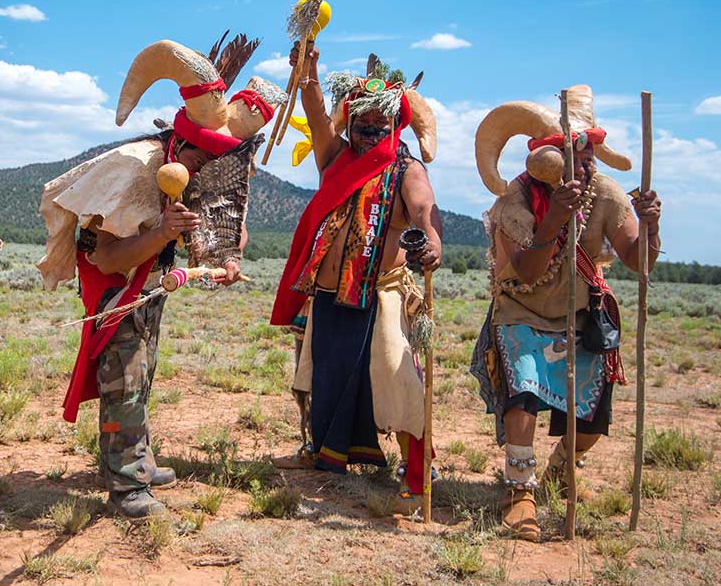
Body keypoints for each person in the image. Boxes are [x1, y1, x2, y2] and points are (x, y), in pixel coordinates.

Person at [38, 36, 284, 518]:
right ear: (183, 143)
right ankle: (127, 483)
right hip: (118, 293)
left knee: (141, 375)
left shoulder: (203, 176)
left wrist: (225, 260)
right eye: (200, 160)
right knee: (124, 378)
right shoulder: (136, 169)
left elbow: (222, 234)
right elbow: (107, 259)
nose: (204, 171)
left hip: (150, 291)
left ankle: (137, 458)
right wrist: (162, 233)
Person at [470, 85, 662, 541]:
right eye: (575, 151)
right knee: (525, 394)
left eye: (589, 151)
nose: (586, 160)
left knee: (593, 417)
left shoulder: (604, 192)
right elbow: (528, 269)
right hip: (521, 311)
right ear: (546, 158)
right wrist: (555, 218)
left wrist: (651, 226)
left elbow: (640, 260)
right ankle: (519, 491)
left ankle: (559, 470)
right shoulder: (514, 203)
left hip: (579, 314)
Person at [269, 46, 442, 513]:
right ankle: (318, 450)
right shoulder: (335, 158)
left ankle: (417, 470)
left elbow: (424, 207)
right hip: (327, 294)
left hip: (380, 291)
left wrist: (430, 241)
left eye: (378, 126)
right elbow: (315, 115)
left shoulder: (406, 169)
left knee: (395, 373)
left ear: (394, 125)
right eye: (360, 124)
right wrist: (307, 72)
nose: (367, 134)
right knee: (316, 373)